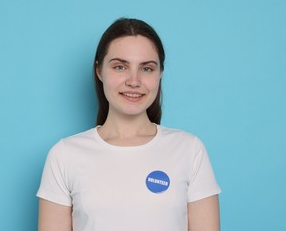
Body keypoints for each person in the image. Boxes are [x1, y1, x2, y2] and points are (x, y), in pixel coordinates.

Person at [37, 18, 221, 231]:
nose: (134, 81)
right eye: (120, 67)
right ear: (99, 71)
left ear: (160, 73)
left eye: (147, 69)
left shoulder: (189, 150)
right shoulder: (64, 155)